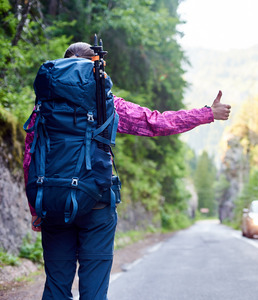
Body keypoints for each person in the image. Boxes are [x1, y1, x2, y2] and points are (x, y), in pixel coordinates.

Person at [23, 42, 231, 300]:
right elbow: (156, 122)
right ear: (96, 65)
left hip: (52, 202)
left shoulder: (43, 108)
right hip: (97, 204)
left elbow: (30, 158)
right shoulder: (106, 104)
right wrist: (207, 113)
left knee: (55, 286)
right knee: (94, 288)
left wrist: (37, 208)